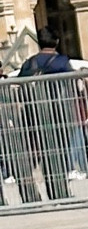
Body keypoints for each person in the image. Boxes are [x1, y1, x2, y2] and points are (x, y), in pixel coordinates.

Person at [16, 30, 81, 193]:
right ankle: (59, 191)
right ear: (57, 41)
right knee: (59, 150)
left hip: (33, 112)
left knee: (37, 151)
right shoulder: (61, 61)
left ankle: (31, 190)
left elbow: (19, 82)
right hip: (58, 111)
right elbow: (72, 81)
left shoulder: (29, 63)